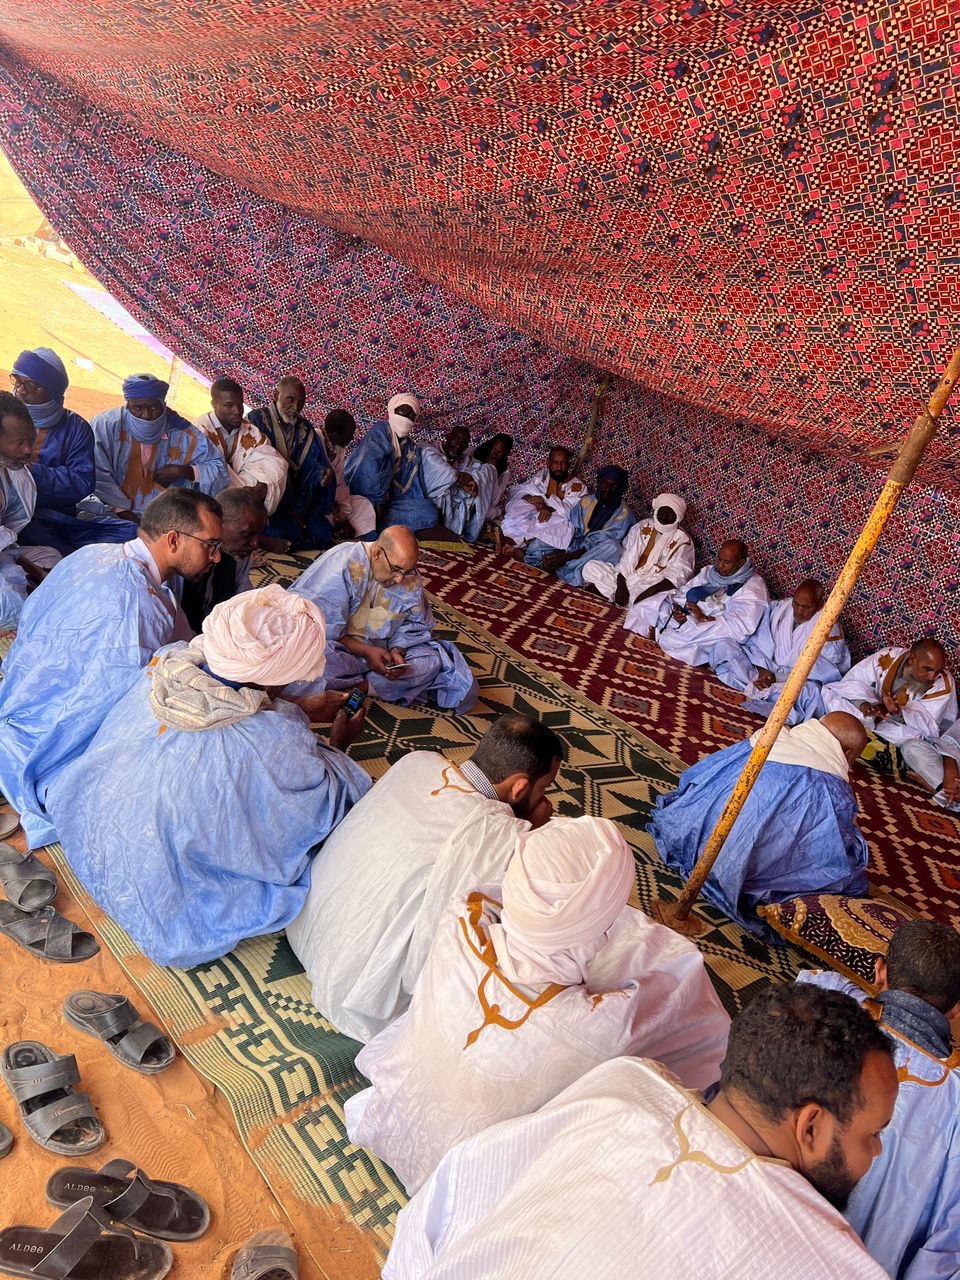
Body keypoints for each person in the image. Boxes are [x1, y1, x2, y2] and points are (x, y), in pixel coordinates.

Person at [382, 982, 896, 1279]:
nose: (875, 1152)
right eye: (872, 1133)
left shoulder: (623, 1085)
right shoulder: (833, 1264)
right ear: (811, 1127)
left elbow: (445, 1202)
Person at [345, 815, 731, 1193]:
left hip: (393, 1118)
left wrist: (558, 920)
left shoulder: (459, 920)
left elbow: (506, 903)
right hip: (463, 1185)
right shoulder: (607, 1023)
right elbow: (687, 1013)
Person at [47, 586, 371, 967]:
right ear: (275, 679)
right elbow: (318, 812)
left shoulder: (167, 664)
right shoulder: (272, 741)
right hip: (162, 905)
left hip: (86, 838)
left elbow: (227, 693)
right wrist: (338, 744)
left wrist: (295, 705)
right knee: (340, 803)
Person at [287, 713, 564, 1042]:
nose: (546, 799)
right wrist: (532, 831)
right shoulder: (499, 834)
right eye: (544, 787)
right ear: (520, 787)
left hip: (305, 922)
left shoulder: (418, 761)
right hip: (352, 988)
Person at [0, 490, 222, 848]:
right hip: (52, 725)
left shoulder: (92, 554)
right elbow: (117, 703)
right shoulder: (138, 602)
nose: (216, 556)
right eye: (210, 545)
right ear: (173, 540)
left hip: (24, 693)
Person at [799, 921, 960, 1280]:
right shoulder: (955, 1101)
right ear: (956, 1010)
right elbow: (947, 1249)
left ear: (880, 971)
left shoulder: (818, 1003)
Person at [649, 712, 870, 933]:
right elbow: (829, 847)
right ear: (848, 752)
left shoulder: (767, 737)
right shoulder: (832, 789)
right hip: (736, 873)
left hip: (685, 829)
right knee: (847, 873)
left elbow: (698, 774)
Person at [286, 526, 478, 713]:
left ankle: (359, 688)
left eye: (408, 571)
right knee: (309, 664)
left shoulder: (408, 577)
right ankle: (374, 684)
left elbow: (415, 625)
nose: (400, 579)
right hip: (340, 650)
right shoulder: (344, 564)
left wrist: (397, 651)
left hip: (382, 654)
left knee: (431, 661)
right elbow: (319, 627)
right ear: (377, 553)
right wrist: (367, 651)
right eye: (396, 569)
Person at [88, 374, 229, 531]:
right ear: (128, 406)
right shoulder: (105, 426)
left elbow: (219, 470)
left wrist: (184, 471)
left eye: (154, 407)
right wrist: (129, 518)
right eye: (138, 408)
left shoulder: (184, 432)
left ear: (164, 405)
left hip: (165, 521)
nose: (147, 416)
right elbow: (97, 475)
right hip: (111, 515)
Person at [712, 580, 851, 724]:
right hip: (764, 668)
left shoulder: (829, 628)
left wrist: (777, 678)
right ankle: (762, 689)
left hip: (794, 681)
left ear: (820, 603)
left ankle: (760, 690)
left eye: (806, 607)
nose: (799, 611)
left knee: (810, 693)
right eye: (796, 604)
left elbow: (826, 675)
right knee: (725, 645)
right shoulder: (781, 608)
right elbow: (760, 638)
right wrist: (763, 670)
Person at [10, 346, 97, 556]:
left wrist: (32, 471)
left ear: (53, 392)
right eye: (17, 380)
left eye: (31, 385)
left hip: (49, 516)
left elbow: (82, 483)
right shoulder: (4, 414)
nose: (21, 390)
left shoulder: (77, 429)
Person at [247, 376, 336, 551]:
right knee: (285, 531)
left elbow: (313, 463)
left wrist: (322, 474)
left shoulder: (305, 427)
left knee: (324, 531)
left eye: (301, 402)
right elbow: (251, 463)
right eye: (290, 399)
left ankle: (293, 531)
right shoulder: (256, 419)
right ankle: (265, 538)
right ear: (276, 395)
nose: (296, 407)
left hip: (297, 500)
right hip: (269, 501)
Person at [586, 493, 695, 633]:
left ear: (677, 517)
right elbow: (627, 557)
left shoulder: (683, 541)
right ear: (656, 510)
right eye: (662, 510)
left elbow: (680, 575)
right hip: (629, 576)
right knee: (590, 567)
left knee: (656, 602)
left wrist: (650, 591)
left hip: (653, 584)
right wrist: (621, 583)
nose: (664, 516)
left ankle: (613, 596)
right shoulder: (642, 526)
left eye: (670, 513)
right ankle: (625, 601)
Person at [821, 639, 956, 750]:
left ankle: (856, 736)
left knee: (911, 739)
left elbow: (929, 727)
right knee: (832, 695)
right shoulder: (887, 656)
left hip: (897, 727)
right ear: (912, 659)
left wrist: (898, 713)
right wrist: (864, 704)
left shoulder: (942, 683)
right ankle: (861, 735)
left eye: (938, 671)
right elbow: (855, 682)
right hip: (868, 715)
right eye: (928, 670)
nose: (932, 676)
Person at [656, 538, 770, 668]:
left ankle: (670, 635)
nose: (720, 565)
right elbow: (684, 592)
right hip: (691, 614)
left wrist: (705, 618)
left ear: (741, 563)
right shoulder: (710, 572)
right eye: (719, 559)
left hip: (715, 625)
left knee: (693, 635)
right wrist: (679, 610)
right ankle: (671, 629)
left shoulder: (753, 588)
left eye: (727, 562)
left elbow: (740, 626)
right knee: (659, 603)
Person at [0, 393, 60, 626]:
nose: (28, 450)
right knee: (10, 602)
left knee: (53, 559)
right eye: (19, 443)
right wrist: (31, 572)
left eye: (30, 439)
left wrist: (35, 571)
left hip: (5, 552)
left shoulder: (10, 468)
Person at [194, 377, 288, 516]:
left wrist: (262, 486)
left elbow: (274, 463)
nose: (237, 411)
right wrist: (241, 491)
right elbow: (207, 475)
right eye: (229, 405)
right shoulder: (199, 432)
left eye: (240, 404)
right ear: (214, 404)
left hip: (248, 501)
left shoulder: (251, 431)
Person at [180, 487, 267, 633]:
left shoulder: (238, 555)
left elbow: (244, 598)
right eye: (247, 534)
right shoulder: (185, 559)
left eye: (259, 534)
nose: (255, 544)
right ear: (219, 523)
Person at [537, 466, 636, 584]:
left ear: (620, 489)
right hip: (572, 543)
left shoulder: (625, 514)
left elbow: (603, 541)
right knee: (543, 539)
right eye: (604, 483)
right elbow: (572, 528)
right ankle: (548, 561)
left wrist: (566, 557)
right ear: (599, 483)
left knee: (613, 547)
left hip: (593, 552)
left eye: (614, 486)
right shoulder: (587, 501)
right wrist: (562, 549)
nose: (608, 489)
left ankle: (567, 570)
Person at [500, 446, 587, 555]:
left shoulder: (578, 487)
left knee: (554, 524)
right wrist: (536, 502)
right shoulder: (544, 476)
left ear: (568, 464)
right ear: (548, 463)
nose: (559, 467)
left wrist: (546, 505)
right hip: (535, 510)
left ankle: (518, 546)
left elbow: (572, 513)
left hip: (555, 520)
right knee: (518, 505)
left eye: (563, 463)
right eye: (555, 463)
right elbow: (521, 490)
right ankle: (509, 541)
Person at [344, 392, 418, 520]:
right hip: (365, 492)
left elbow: (410, 485)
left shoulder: (411, 447)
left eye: (411, 415)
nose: (406, 417)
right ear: (392, 410)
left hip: (391, 498)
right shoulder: (381, 430)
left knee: (428, 512)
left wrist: (392, 499)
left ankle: (386, 520)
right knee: (366, 509)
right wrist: (380, 498)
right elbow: (367, 471)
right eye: (403, 411)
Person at [420, 425, 487, 542]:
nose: (458, 446)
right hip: (422, 497)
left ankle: (450, 531)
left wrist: (471, 479)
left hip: (448, 505)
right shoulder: (429, 450)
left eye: (463, 444)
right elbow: (436, 467)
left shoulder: (463, 460)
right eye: (457, 439)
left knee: (474, 491)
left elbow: (481, 470)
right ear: (448, 437)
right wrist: (458, 476)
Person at [318, 409, 376, 539]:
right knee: (324, 522)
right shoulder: (315, 440)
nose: (352, 439)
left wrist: (342, 511)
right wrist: (338, 513)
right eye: (349, 434)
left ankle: (362, 537)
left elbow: (339, 483)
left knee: (363, 504)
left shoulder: (339, 449)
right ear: (335, 434)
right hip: (315, 501)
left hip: (333, 500)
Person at [901, 716, 960, 812]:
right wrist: (950, 767)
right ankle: (946, 791)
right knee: (912, 747)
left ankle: (942, 791)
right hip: (955, 765)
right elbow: (952, 740)